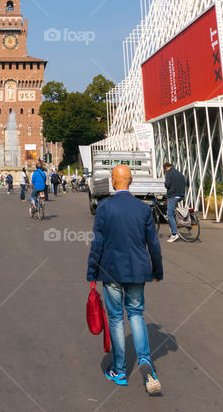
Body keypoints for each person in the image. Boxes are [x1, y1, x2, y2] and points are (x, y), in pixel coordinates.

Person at [87, 164, 163, 394]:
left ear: (113, 181)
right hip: (138, 270)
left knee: (117, 318)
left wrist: (92, 272)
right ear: (130, 181)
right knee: (136, 314)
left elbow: (97, 242)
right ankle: (144, 360)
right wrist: (157, 271)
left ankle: (119, 370)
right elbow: (154, 244)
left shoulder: (104, 207)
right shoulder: (142, 209)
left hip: (111, 270)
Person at [163, 162, 187, 243]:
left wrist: (165, 184)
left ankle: (174, 234)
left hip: (172, 196)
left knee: (169, 214)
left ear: (166, 168)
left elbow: (167, 184)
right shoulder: (180, 174)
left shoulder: (169, 173)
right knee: (171, 212)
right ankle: (175, 225)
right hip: (180, 195)